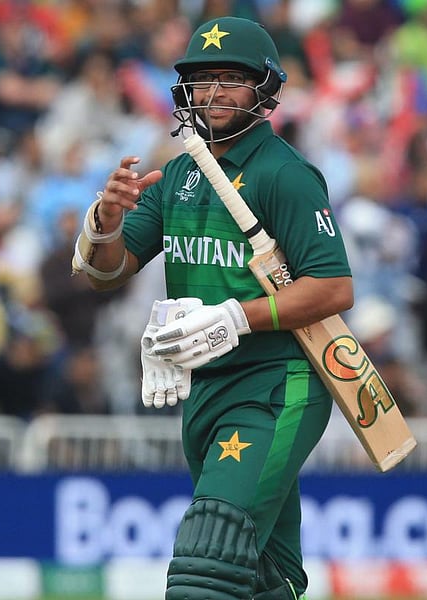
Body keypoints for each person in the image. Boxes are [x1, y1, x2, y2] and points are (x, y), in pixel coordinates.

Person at [71, 17, 353, 600]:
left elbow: (332, 288)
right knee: (260, 578)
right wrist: (107, 218)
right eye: (202, 80)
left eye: (231, 78)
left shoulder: (286, 174)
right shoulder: (178, 173)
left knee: (208, 558)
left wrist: (233, 317)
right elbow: (108, 271)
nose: (213, 92)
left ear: (264, 88)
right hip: (204, 390)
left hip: (278, 385)